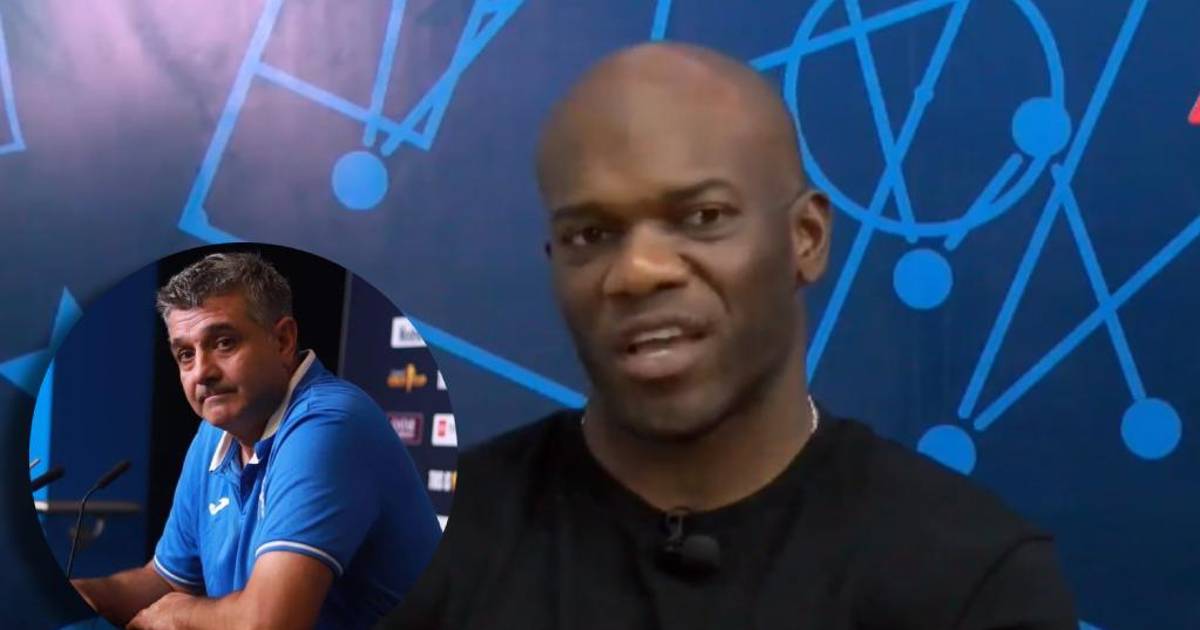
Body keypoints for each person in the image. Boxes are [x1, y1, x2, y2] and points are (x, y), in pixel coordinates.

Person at [381, 43, 1077, 629]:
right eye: (590, 234)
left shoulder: (970, 580)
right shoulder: (417, 551)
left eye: (702, 217)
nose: (638, 272)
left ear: (806, 238)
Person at [72, 252, 442, 629]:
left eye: (224, 343)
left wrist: (176, 614)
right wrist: (84, 595)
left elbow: (270, 622)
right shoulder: (215, 433)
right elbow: (166, 581)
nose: (202, 372)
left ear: (282, 341)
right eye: (185, 354)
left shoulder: (330, 424)